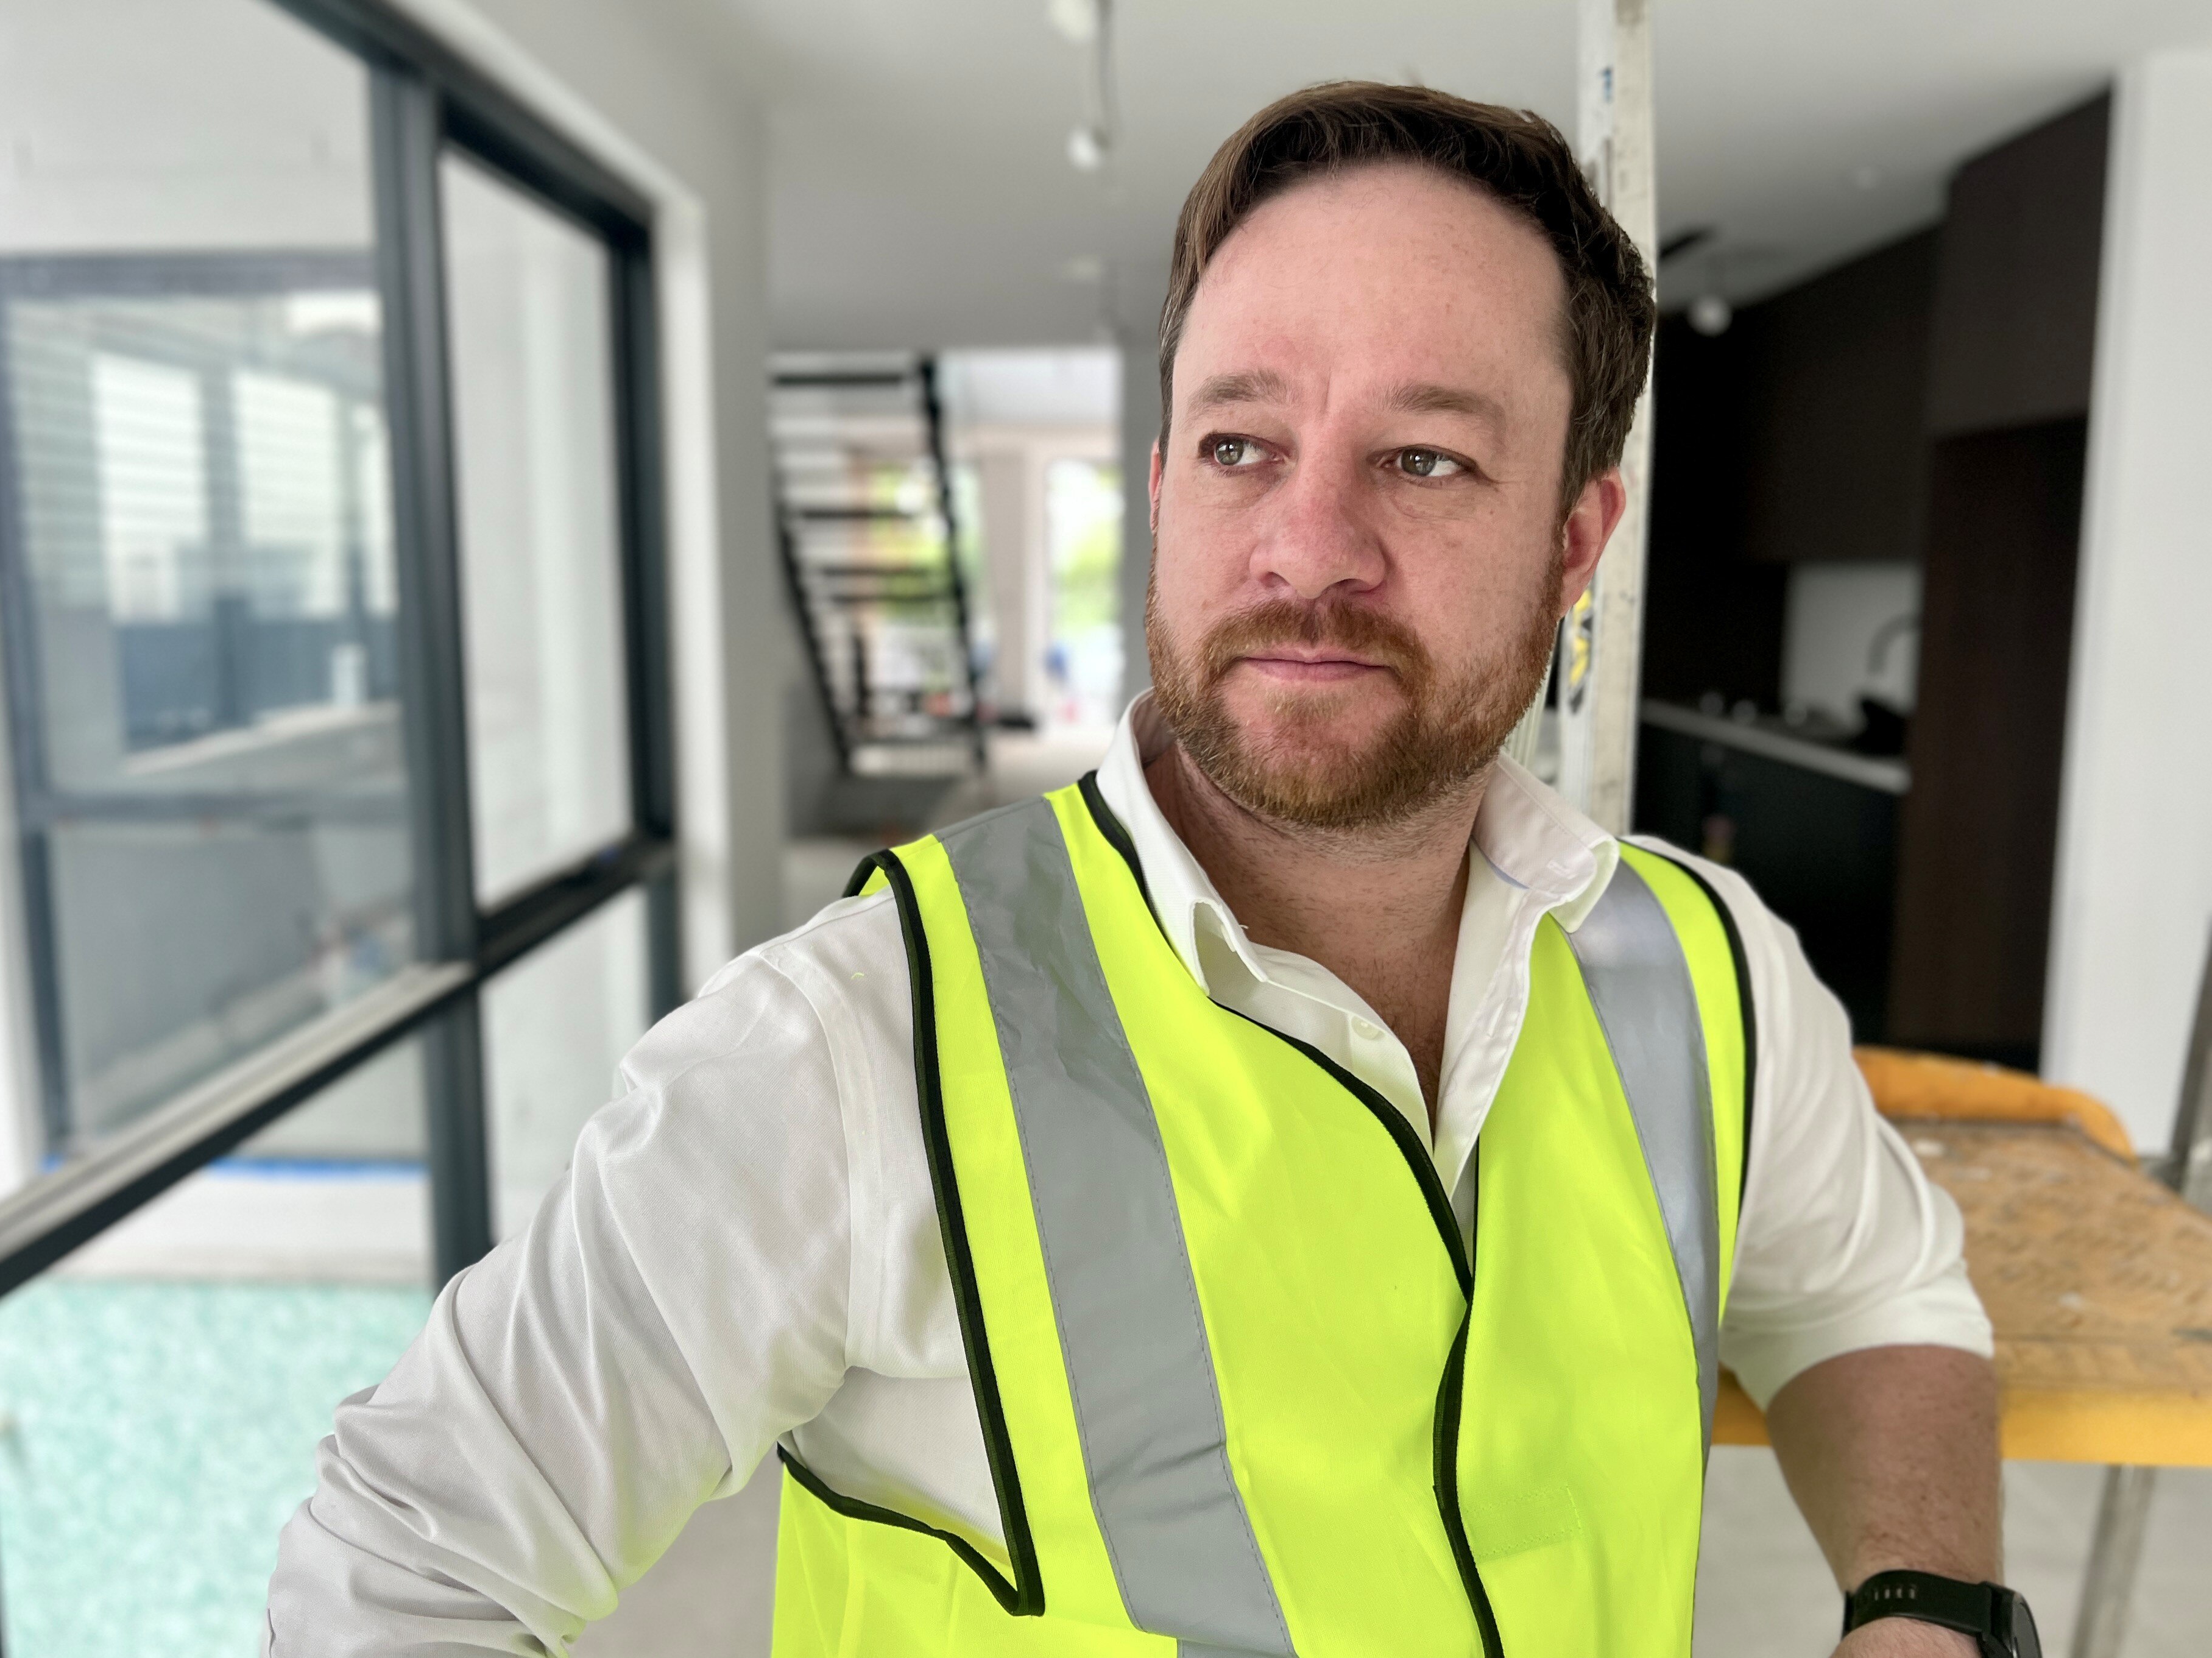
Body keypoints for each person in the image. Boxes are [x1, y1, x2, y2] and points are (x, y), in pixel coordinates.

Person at [267, 82, 2023, 1657]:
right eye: (1244, 444)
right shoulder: (865, 1044)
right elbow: (409, 1565)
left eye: (1426, 458)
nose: (1309, 548)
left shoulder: (1699, 966)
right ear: (1169, 484)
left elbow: (1873, 1293)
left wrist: (1923, 1610)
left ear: (1576, 541)